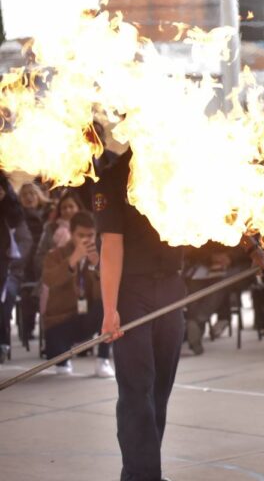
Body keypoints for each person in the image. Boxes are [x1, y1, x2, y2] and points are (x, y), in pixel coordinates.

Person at [95, 149, 185, 481]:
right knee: (136, 391)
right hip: (132, 292)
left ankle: (143, 471)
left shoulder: (178, 169)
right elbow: (111, 246)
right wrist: (109, 309)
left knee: (159, 391)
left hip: (172, 288)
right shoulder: (113, 177)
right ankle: (142, 475)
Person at [41, 210, 114, 377]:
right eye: (81, 235)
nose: (86, 240)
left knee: (108, 306)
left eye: (90, 235)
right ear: (71, 234)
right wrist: (73, 260)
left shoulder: (97, 256)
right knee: (61, 367)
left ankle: (103, 360)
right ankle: (63, 357)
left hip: (86, 317)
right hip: (61, 320)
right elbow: (48, 280)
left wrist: (97, 267)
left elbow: (103, 294)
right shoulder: (55, 255)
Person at [0, 172, 32, 363]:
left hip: (4, 262)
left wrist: (5, 195)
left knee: (4, 297)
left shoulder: (3, 186)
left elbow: (16, 217)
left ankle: (2, 343)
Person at [18, 182, 52, 341]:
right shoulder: (18, 216)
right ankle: (28, 327)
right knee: (27, 293)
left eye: (32, 193)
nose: (29, 197)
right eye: (24, 195)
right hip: (27, 263)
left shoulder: (49, 213)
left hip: (47, 258)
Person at [34, 189, 84, 280]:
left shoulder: (88, 228)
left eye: (71, 206)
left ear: (78, 208)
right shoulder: (51, 228)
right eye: (64, 208)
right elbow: (39, 257)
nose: (68, 210)